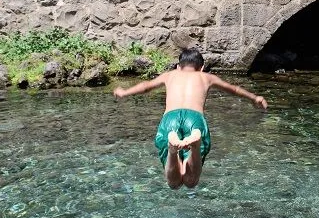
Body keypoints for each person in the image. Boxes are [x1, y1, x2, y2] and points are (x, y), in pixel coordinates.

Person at [113, 48, 268, 189]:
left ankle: (172, 151)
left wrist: (125, 92)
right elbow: (234, 89)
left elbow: (146, 86)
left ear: (178, 66)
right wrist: (255, 98)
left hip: (170, 118)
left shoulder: (170, 75)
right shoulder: (205, 77)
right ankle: (195, 146)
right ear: (201, 67)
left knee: (173, 184)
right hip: (194, 118)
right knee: (191, 182)